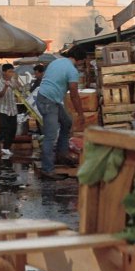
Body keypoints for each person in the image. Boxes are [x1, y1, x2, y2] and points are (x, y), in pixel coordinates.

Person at [35, 48, 86, 176]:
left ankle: (61, 154)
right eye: (83, 62)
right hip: (49, 102)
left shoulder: (56, 62)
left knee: (66, 122)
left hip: (45, 98)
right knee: (50, 136)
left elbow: (52, 81)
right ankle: (48, 169)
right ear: (80, 60)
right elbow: (74, 94)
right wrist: (81, 114)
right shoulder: (72, 71)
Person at [0, 63, 21, 156]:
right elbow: (0, 95)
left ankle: (6, 148)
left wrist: (17, 83)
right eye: (10, 71)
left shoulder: (13, 80)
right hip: (3, 109)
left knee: (13, 130)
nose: (11, 73)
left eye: (12, 71)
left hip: (13, 109)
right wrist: (5, 87)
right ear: (4, 72)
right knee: (4, 128)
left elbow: (18, 89)